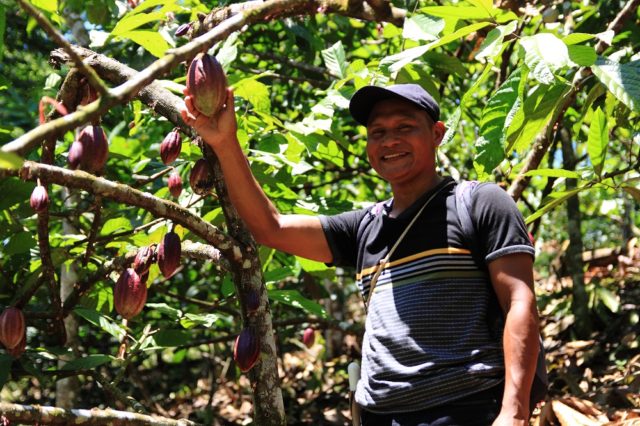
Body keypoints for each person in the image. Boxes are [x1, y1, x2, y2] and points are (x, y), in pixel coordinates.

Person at [181, 82, 541, 425]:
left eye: (405, 127)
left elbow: (519, 303)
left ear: (436, 134)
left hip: (464, 407)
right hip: (380, 415)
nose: (390, 141)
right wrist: (225, 142)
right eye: (378, 132)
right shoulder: (364, 228)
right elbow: (270, 227)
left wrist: (514, 409)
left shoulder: (478, 203)